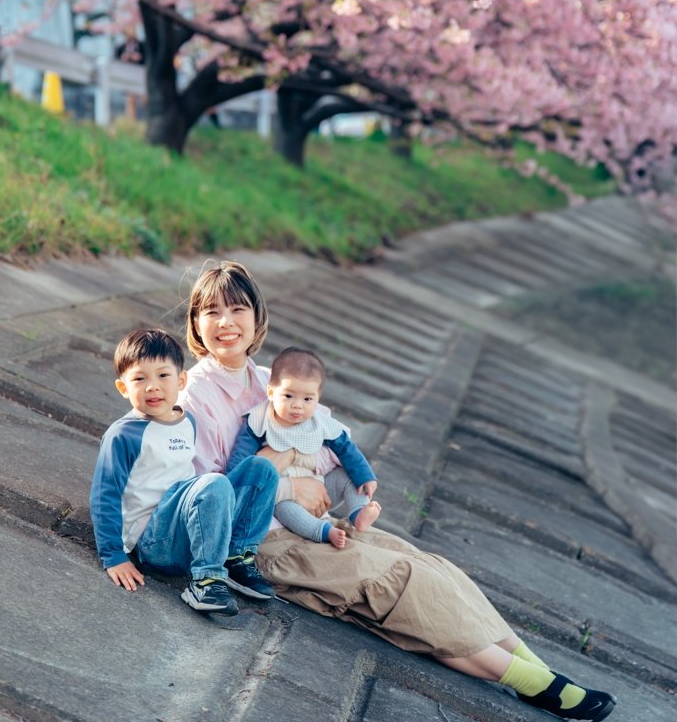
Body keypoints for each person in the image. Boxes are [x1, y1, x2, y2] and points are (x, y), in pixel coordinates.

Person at [179, 261, 617, 722]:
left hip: (317, 524)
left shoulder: (274, 379)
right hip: (261, 544)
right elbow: (214, 493)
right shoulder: (196, 396)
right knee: (403, 588)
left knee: (434, 570)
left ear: (256, 318)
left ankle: (539, 672)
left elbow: (327, 448)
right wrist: (289, 477)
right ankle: (542, 686)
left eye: (237, 308)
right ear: (195, 323)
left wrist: (348, 483)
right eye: (211, 312)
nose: (225, 322)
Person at [89, 327, 278, 617]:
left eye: (163, 376)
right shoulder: (124, 435)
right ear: (124, 388)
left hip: (190, 531)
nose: (153, 386)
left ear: (181, 381)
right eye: (140, 378)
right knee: (212, 483)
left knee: (260, 468)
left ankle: (234, 555)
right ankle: (205, 580)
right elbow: (105, 496)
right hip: (155, 542)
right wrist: (113, 555)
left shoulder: (186, 420)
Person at [228, 345, 382, 547]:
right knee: (284, 509)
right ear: (271, 392)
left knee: (348, 476)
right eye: (289, 396)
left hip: (321, 486)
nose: (298, 405)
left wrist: (366, 475)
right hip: (285, 494)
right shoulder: (259, 421)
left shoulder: (318, 423)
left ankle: (358, 512)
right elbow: (242, 458)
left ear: (317, 398)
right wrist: (232, 480)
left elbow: (346, 448)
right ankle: (323, 531)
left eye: (308, 399)